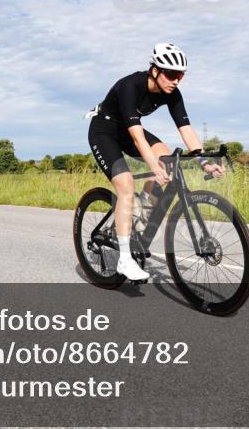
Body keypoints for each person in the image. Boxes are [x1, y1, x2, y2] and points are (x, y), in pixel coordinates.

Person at [86, 43, 224, 281]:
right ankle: (125, 259)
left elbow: (186, 129)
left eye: (180, 75)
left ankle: (140, 212)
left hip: (128, 131)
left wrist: (203, 161)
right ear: (155, 71)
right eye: (171, 74)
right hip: (104, 130)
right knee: (126, 184)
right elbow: (138, 138)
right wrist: (153, 167)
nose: (176, 80)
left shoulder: (172, 93)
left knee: (167, 158)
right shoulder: (130, 85)